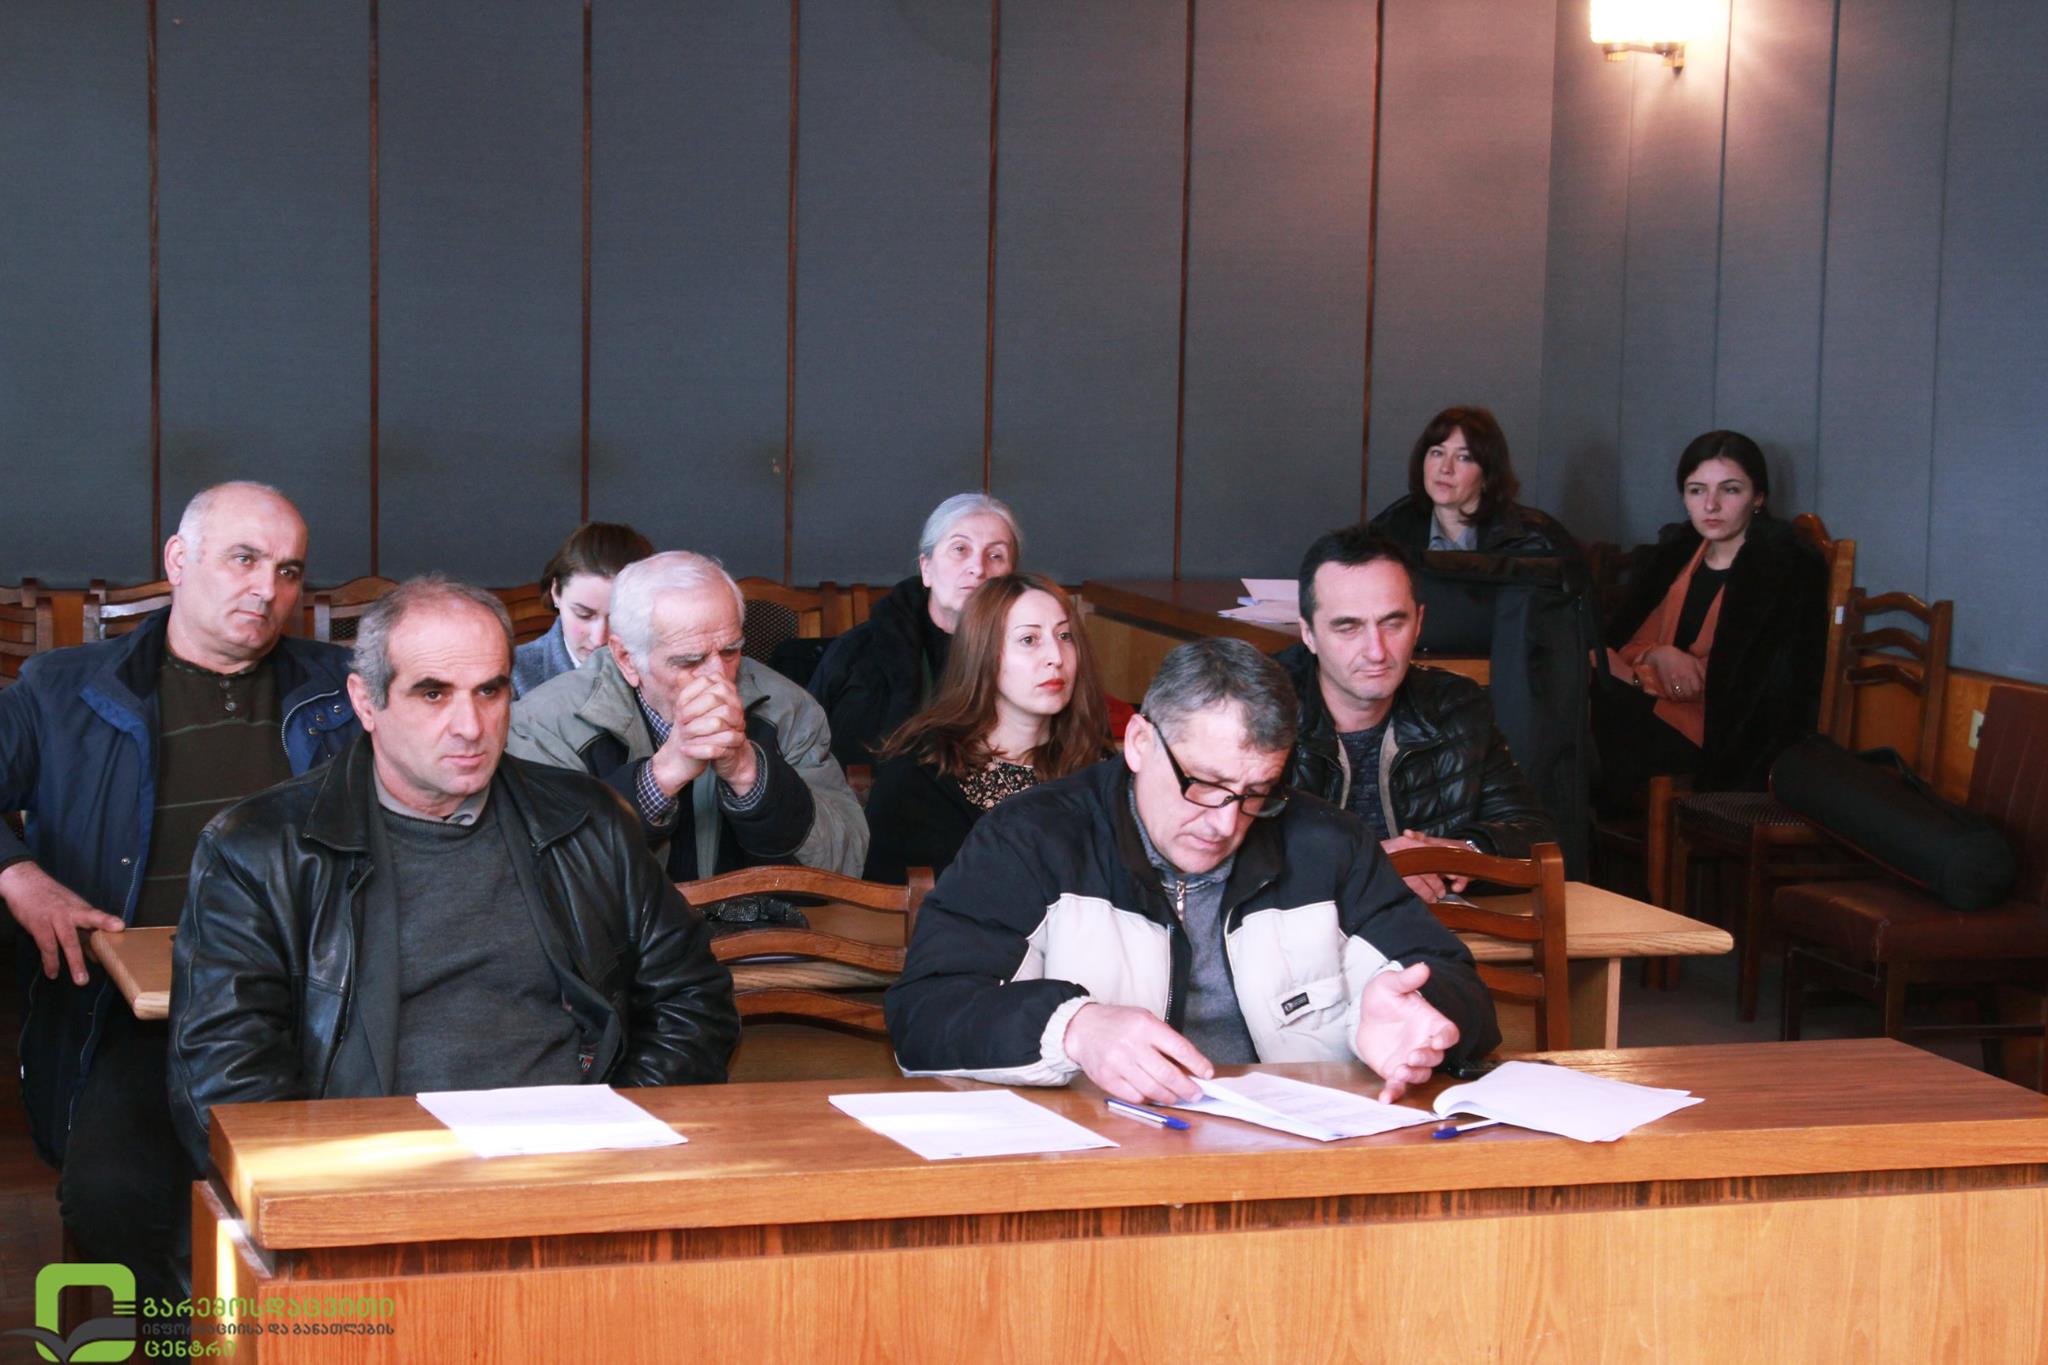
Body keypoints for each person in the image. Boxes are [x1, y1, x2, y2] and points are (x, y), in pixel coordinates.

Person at [167, 578, 738, 1166]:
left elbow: (693, 1002)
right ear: (366, 702)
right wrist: (338, 1181)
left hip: (580, 1161)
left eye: (489, 691)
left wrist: (617, 1134)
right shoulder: (258, 850)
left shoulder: (587, 820)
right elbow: (225, 1083)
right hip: (369, 1171)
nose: (470, 725)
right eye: (434, 694)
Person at [0, 481, 359, 1303]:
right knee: (112, 1194)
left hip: (321, 1004)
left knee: (352, 1184)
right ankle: (197, 1330)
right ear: (178, 560)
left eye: (288, 570)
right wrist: (19, 874)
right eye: (244, 559)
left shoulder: (345, 690)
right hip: (135, 1015)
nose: (267, 588)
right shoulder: (63, 687)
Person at [885, 638, 1498, 1105]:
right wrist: (1073, 1027)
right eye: (1204, 784)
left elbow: (1456, 984)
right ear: (1139, 743)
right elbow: (926, 1014)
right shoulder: (1032, 840)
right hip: (1092, 1161)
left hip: (1291, 1155)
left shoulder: (1325, 843)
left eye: (1256, 792)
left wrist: (1422, 1014)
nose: (1225, 823)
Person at [507, 550, 866, 882]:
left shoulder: (790, 709)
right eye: (689, 661)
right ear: (627, 659)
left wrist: (750, 772)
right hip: (620, 934)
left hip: (762, 928)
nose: (718, 677)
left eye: (731, 651)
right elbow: (542, 878)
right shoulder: (544, 723)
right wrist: (660, 776)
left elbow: (845, 864)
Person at [1279, 527, 1556, 904]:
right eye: (1349, 627)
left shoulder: (1456, 706)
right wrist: (1370, 866)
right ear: (1308, 633)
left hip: (1435, 932)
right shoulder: (1259, 712)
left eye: (1393, 623)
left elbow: (1536, 839)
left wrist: (1456, 854)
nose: (1376, 651)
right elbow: (1228, 856)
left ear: (1419, 622)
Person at [1594, 430, 1827, 809]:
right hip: (1653, 710)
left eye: (1730, 490)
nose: (1711, 505)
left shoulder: (1782, 568)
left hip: (1723, 733)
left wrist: (1646, 674)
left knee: (1582, 729)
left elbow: (1755, 683)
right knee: (1571, 703)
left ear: (1758, 497)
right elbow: (1625, 645)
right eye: (1696, 490)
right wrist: (1660, 655)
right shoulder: (1676, 556)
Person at [862, 574, 1114, 884]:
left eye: (1065, 636)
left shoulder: (1098, 762)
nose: (1056, 657)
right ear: (983, 653)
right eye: (1029, 640)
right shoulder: (921, 773)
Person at [807, 492, 1021, 766]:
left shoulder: (1032, 655)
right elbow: (807, 753)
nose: (978, 568)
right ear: (926, 568)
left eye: (995, 555)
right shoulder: (858, 653)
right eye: (960, 549)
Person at [1369, 405, 1585, 560]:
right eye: (1437, 453)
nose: (1445, 468)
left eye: (1464, 457)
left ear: (1488, 475)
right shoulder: (1388, 533)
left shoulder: (1536, 540)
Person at [512, 521, 657, 696]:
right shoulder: (513, 675)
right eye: (583, 615)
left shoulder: (663, 670)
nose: (599, 639)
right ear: (555, 592)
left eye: (617, 620)